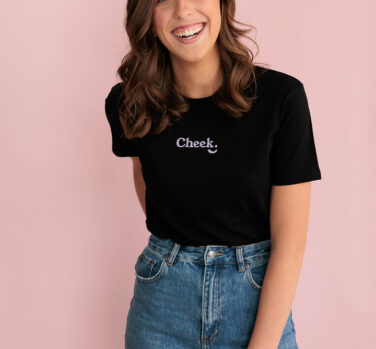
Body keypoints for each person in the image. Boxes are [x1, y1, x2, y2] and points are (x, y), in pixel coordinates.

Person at [104, 1, 322, 348]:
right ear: (147, 15)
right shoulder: (130, 103)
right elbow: (149, 185)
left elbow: (290, 245)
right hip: (161, 306)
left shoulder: (281, 98)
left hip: (255, 303)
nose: (183, 9)